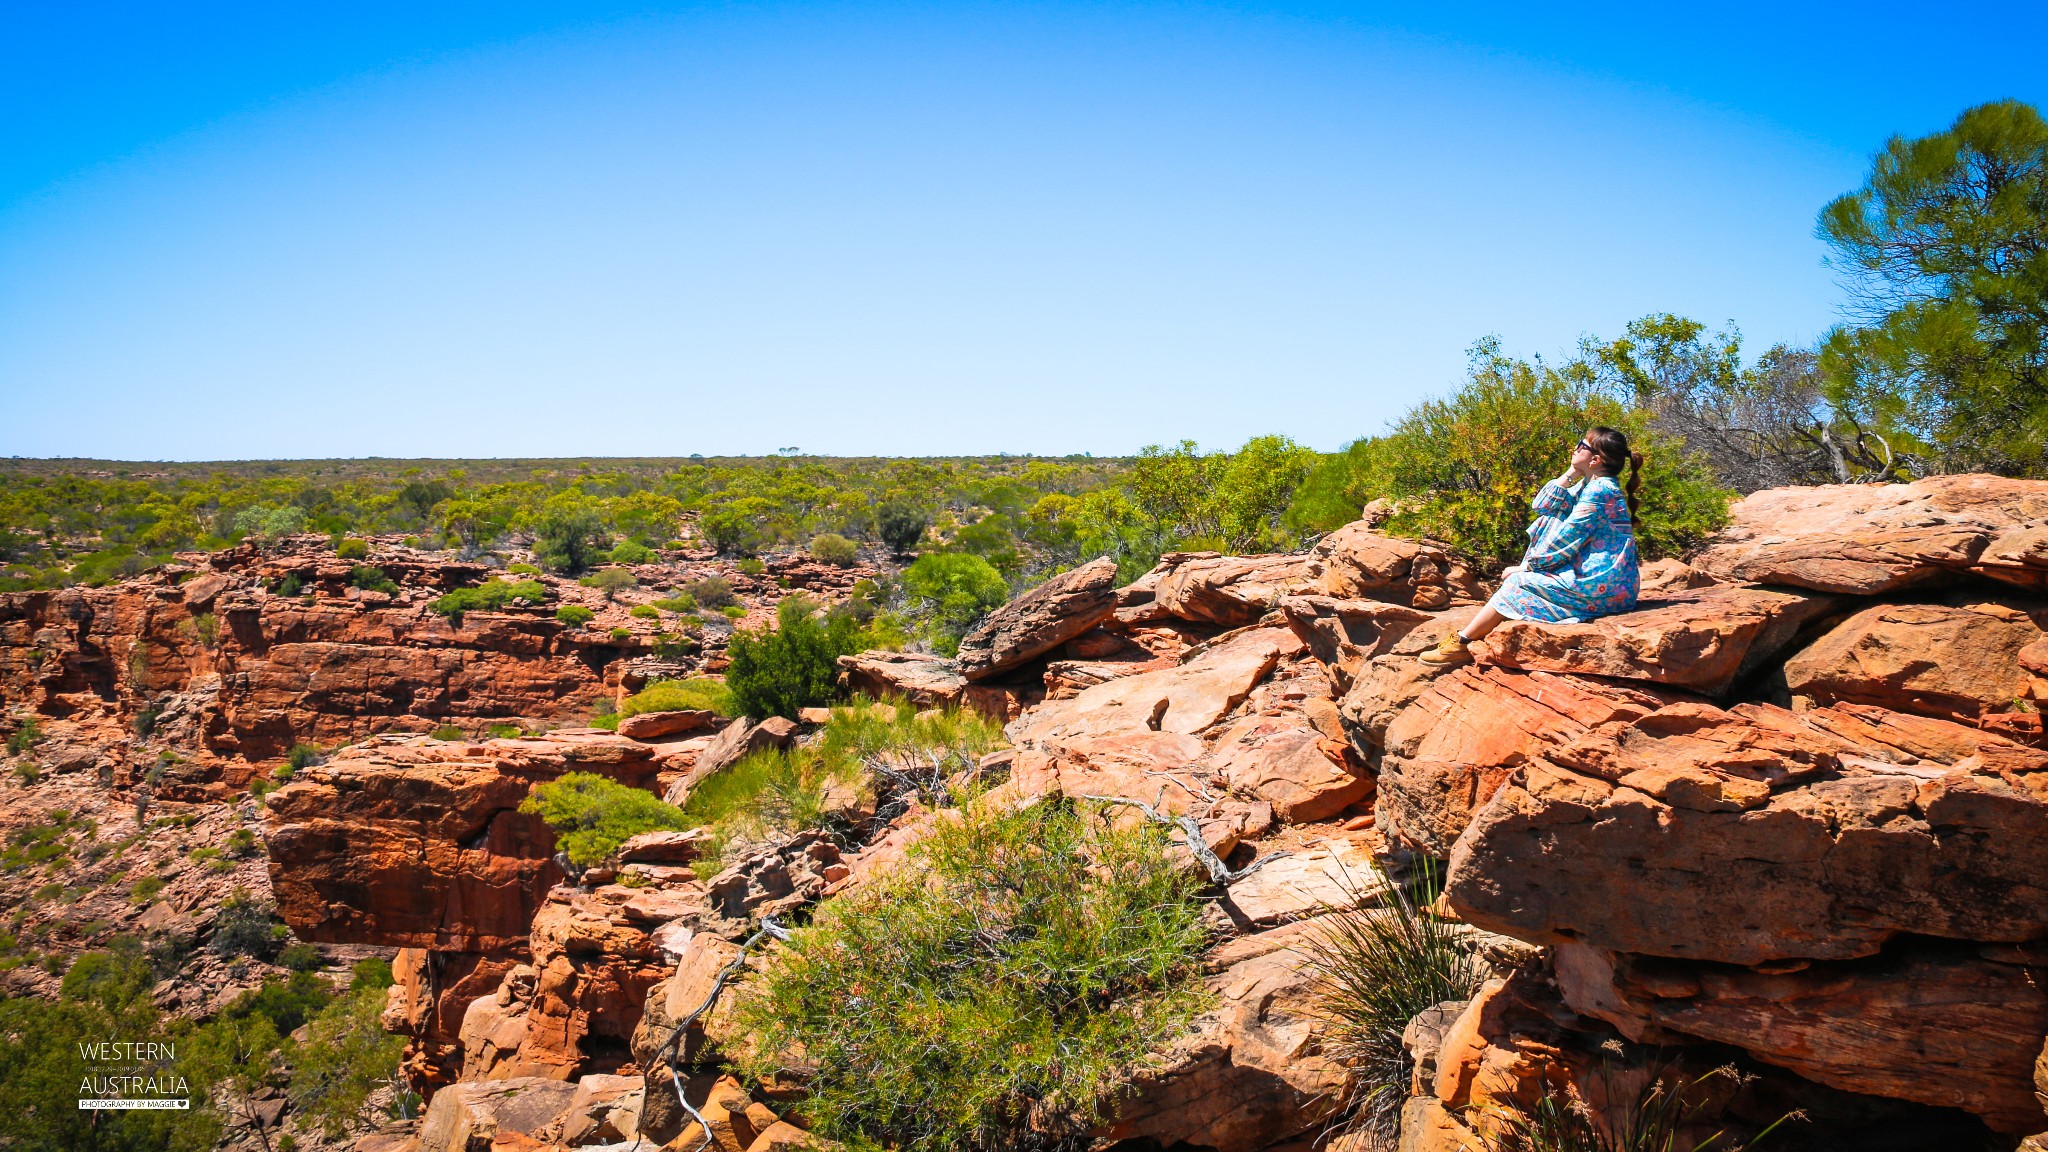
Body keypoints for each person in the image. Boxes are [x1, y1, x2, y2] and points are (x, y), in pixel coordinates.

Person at [1420, 426, 1644, 666]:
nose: (1574, 448)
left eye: (1581, 446)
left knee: (1517, 583)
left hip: (1605, 587)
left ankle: (1462, 642)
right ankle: (1475, 633)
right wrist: (1571, 472)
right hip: (1606, 582)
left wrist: (1527, 568)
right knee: (1552, 515)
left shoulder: (1600, 490)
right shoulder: (1590, 485)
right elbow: (1543, 504)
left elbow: (1568, 539)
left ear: (1596, 460)